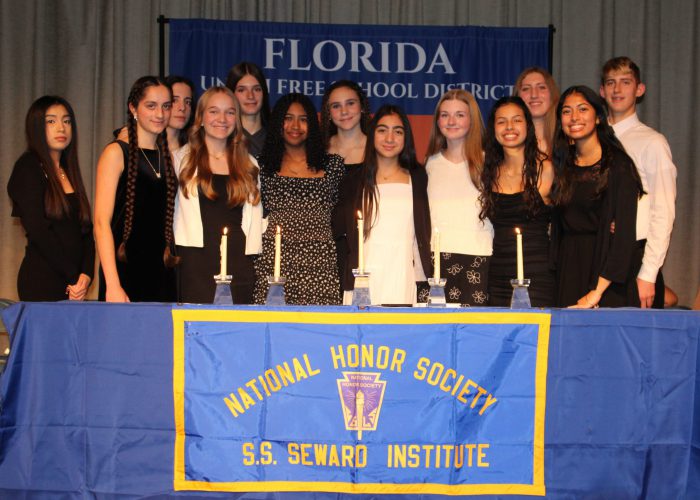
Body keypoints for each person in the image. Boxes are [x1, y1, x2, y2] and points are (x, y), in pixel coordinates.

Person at [552, 86, 644, 308]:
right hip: (569, 269)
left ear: (599, 117)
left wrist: (597, 291)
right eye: (566, 111)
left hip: (606, 280)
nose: (574, 117)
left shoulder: (619, 166)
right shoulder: (562, 165)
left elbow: (623, 238)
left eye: (582, 109)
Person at [334, 104, 432, 305]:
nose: (390, 139)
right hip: (362, 278)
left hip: (401, 276)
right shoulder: (352, 181)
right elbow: (341, 236)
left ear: (406, 138)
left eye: (397, 131)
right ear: (372, 135)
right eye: (382, 130)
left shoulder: (418, 177)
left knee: (400, 336)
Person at [599, 56, 677, 309]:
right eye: (611, 83)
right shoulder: (592, 140)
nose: (617, 89)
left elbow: (663, 211)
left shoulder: (652, 142)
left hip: (635, 259)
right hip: (599, 254)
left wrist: (648, 273)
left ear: (639, 89)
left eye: (625, 82)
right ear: (602, 91)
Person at [173, 86, 262, 304]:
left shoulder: (249, 164)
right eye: (214, 111)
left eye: (230, 112)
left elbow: (255, 221)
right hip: (195, 262)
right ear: (201, 117)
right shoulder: (179, 160)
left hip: (239, 260)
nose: (222, 119)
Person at [253, 93, 344, 305]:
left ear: (312, 125)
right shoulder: (261, 166)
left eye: (303, 119)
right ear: (278, 122)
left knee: (319, 332)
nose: (295, 125)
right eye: (288, 118)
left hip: (320, 262)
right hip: (275, 261)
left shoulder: (333, 165)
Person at [94, 76, 178, 302]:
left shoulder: (167, 157)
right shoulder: (115, 153)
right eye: (151, 106)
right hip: (124, 273)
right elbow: (101, 223)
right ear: (133, 108)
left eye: (166, 106)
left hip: (161, 274)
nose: (160, 114)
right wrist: (113, 284)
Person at [7, 96, 94, 301]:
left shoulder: (67, 170)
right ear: (36, 126)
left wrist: (86, 275)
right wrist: (73, 277)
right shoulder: (28, 167)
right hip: (43, 281)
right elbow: (38, 230)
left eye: (66, 121)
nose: (61, 128)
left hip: (74, 285)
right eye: (51, 121)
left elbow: (86, 230)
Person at [481, 96, 556, 307]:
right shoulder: (489, 172)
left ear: (527, 125)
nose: (509, 127)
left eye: (517, 120)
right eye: (501, 121)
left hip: (537, 275)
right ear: (493, 128)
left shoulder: (546, 169)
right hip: (498, 275)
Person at [422, 90, 492, 306]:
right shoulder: (428, 164)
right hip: (435, 258)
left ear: (472, 119)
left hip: (477, 256)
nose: (451, 121)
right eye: (445, 115)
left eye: (460, 115)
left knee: (471, 332)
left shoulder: (489, 164)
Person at [320, 80, 370, 172]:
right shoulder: (318, 150)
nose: (344, 112)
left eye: (350, 103)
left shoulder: (378, 148)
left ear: (362, 107)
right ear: (329, 113)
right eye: (336, 106)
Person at [226, 61, 270, 156]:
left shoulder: (279, 139)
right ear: (231, 94)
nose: (250, 96)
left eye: (256, 89)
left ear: (264, 93)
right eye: (241, 90)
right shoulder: (222, 138)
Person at [514, 67, 560, 156]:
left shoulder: (569, 141)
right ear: (517, 96)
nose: (534, 95)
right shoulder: (507, 143)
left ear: (552, 93)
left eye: (541, 87)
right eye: (526, 89)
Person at [165, 75, 195, 152]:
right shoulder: (143, 146)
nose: (182, 107)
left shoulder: (195, 149)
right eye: (175, 100)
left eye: (188, 102)